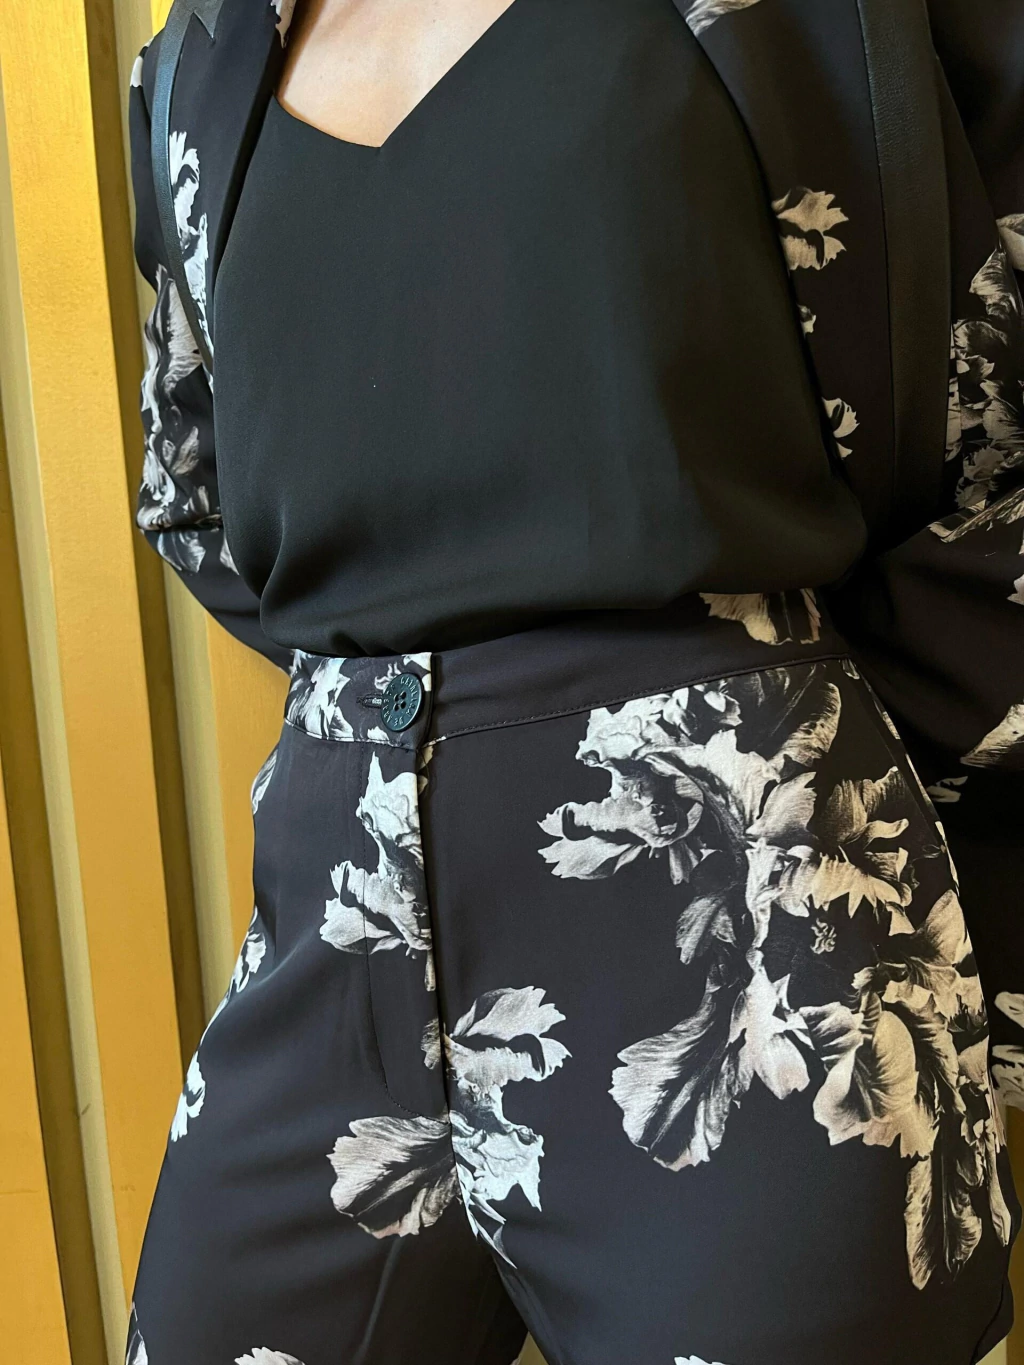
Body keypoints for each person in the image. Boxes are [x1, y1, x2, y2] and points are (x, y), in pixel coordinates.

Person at [124, 2, 1024, 1362]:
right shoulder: (201, 57)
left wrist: (789, 736)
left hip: (749, 945)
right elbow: (194, 487)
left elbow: (991, 430)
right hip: (333, 910)